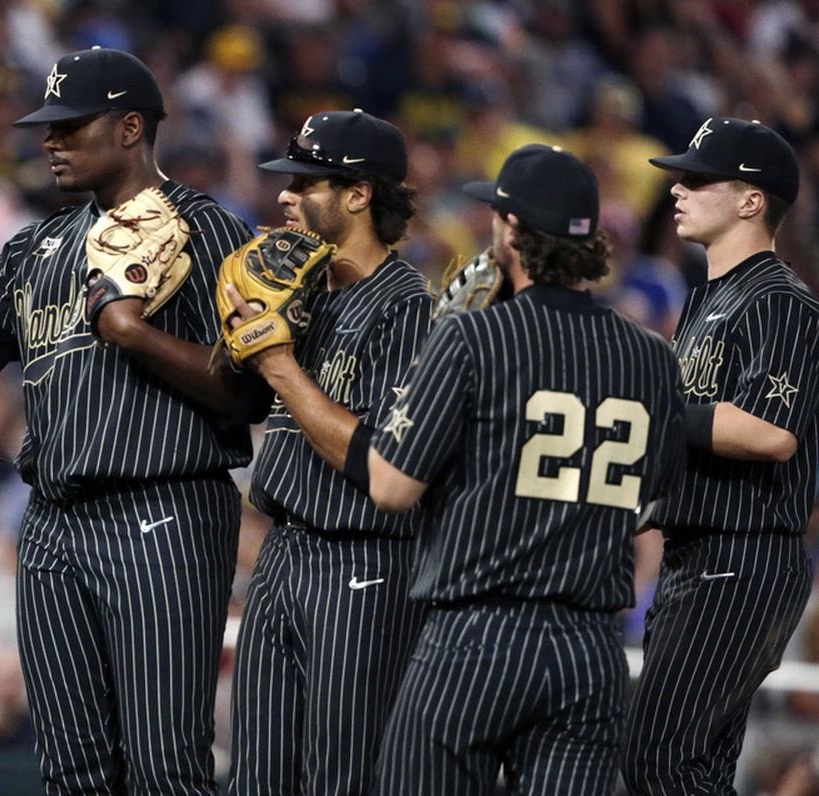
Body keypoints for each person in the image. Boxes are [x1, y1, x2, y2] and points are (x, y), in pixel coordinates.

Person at [0, 48, 254, 793]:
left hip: (164, 506)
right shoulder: (35, 245)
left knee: (165, 764)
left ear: (131, 127)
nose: (50, 141)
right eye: (48, 127)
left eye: (71, 127)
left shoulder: (210, 232)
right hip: (53, 522)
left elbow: (245, 392)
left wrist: (134, 332)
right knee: (71, 769)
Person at [363, 144, 686, 794]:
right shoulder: (653, 355)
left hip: (476, 636)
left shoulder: (470, 337)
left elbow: (390, 486)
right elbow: (653, 496)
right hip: (588, 649)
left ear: (511, 230)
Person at [220, 110, 432, 794]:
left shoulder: (408, 308)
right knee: (256, 776)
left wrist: (278, 361)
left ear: (359, 194)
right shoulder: (304, 287)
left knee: (338, 778)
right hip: (285, 551)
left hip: (363, 561)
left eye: (306, 181)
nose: (284, 195)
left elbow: (379, 458)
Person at [622, 117, 818, 794]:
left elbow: (771, 430)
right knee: (689, 766)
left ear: (750, 200)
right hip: (706, 551)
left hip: (741, 552)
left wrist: (656, 407)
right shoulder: (712, 297)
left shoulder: (778, 299)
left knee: (660, 761)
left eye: (700, 178)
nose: (678, 188)